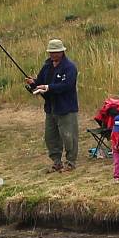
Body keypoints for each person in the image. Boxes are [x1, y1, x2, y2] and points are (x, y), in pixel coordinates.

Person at [26, 39, 79, 173]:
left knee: (68, 136)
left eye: (56, 52)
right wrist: (33, 83)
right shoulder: (47, 66)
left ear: (62, 52)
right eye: (51, 52)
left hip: (66, 107)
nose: (53, 55)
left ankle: (71, 162)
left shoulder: (70, 67)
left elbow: (67, 85)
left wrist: (49, 88)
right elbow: (40, 82)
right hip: (51, 107)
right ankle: (56, 161)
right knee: (51, 136)